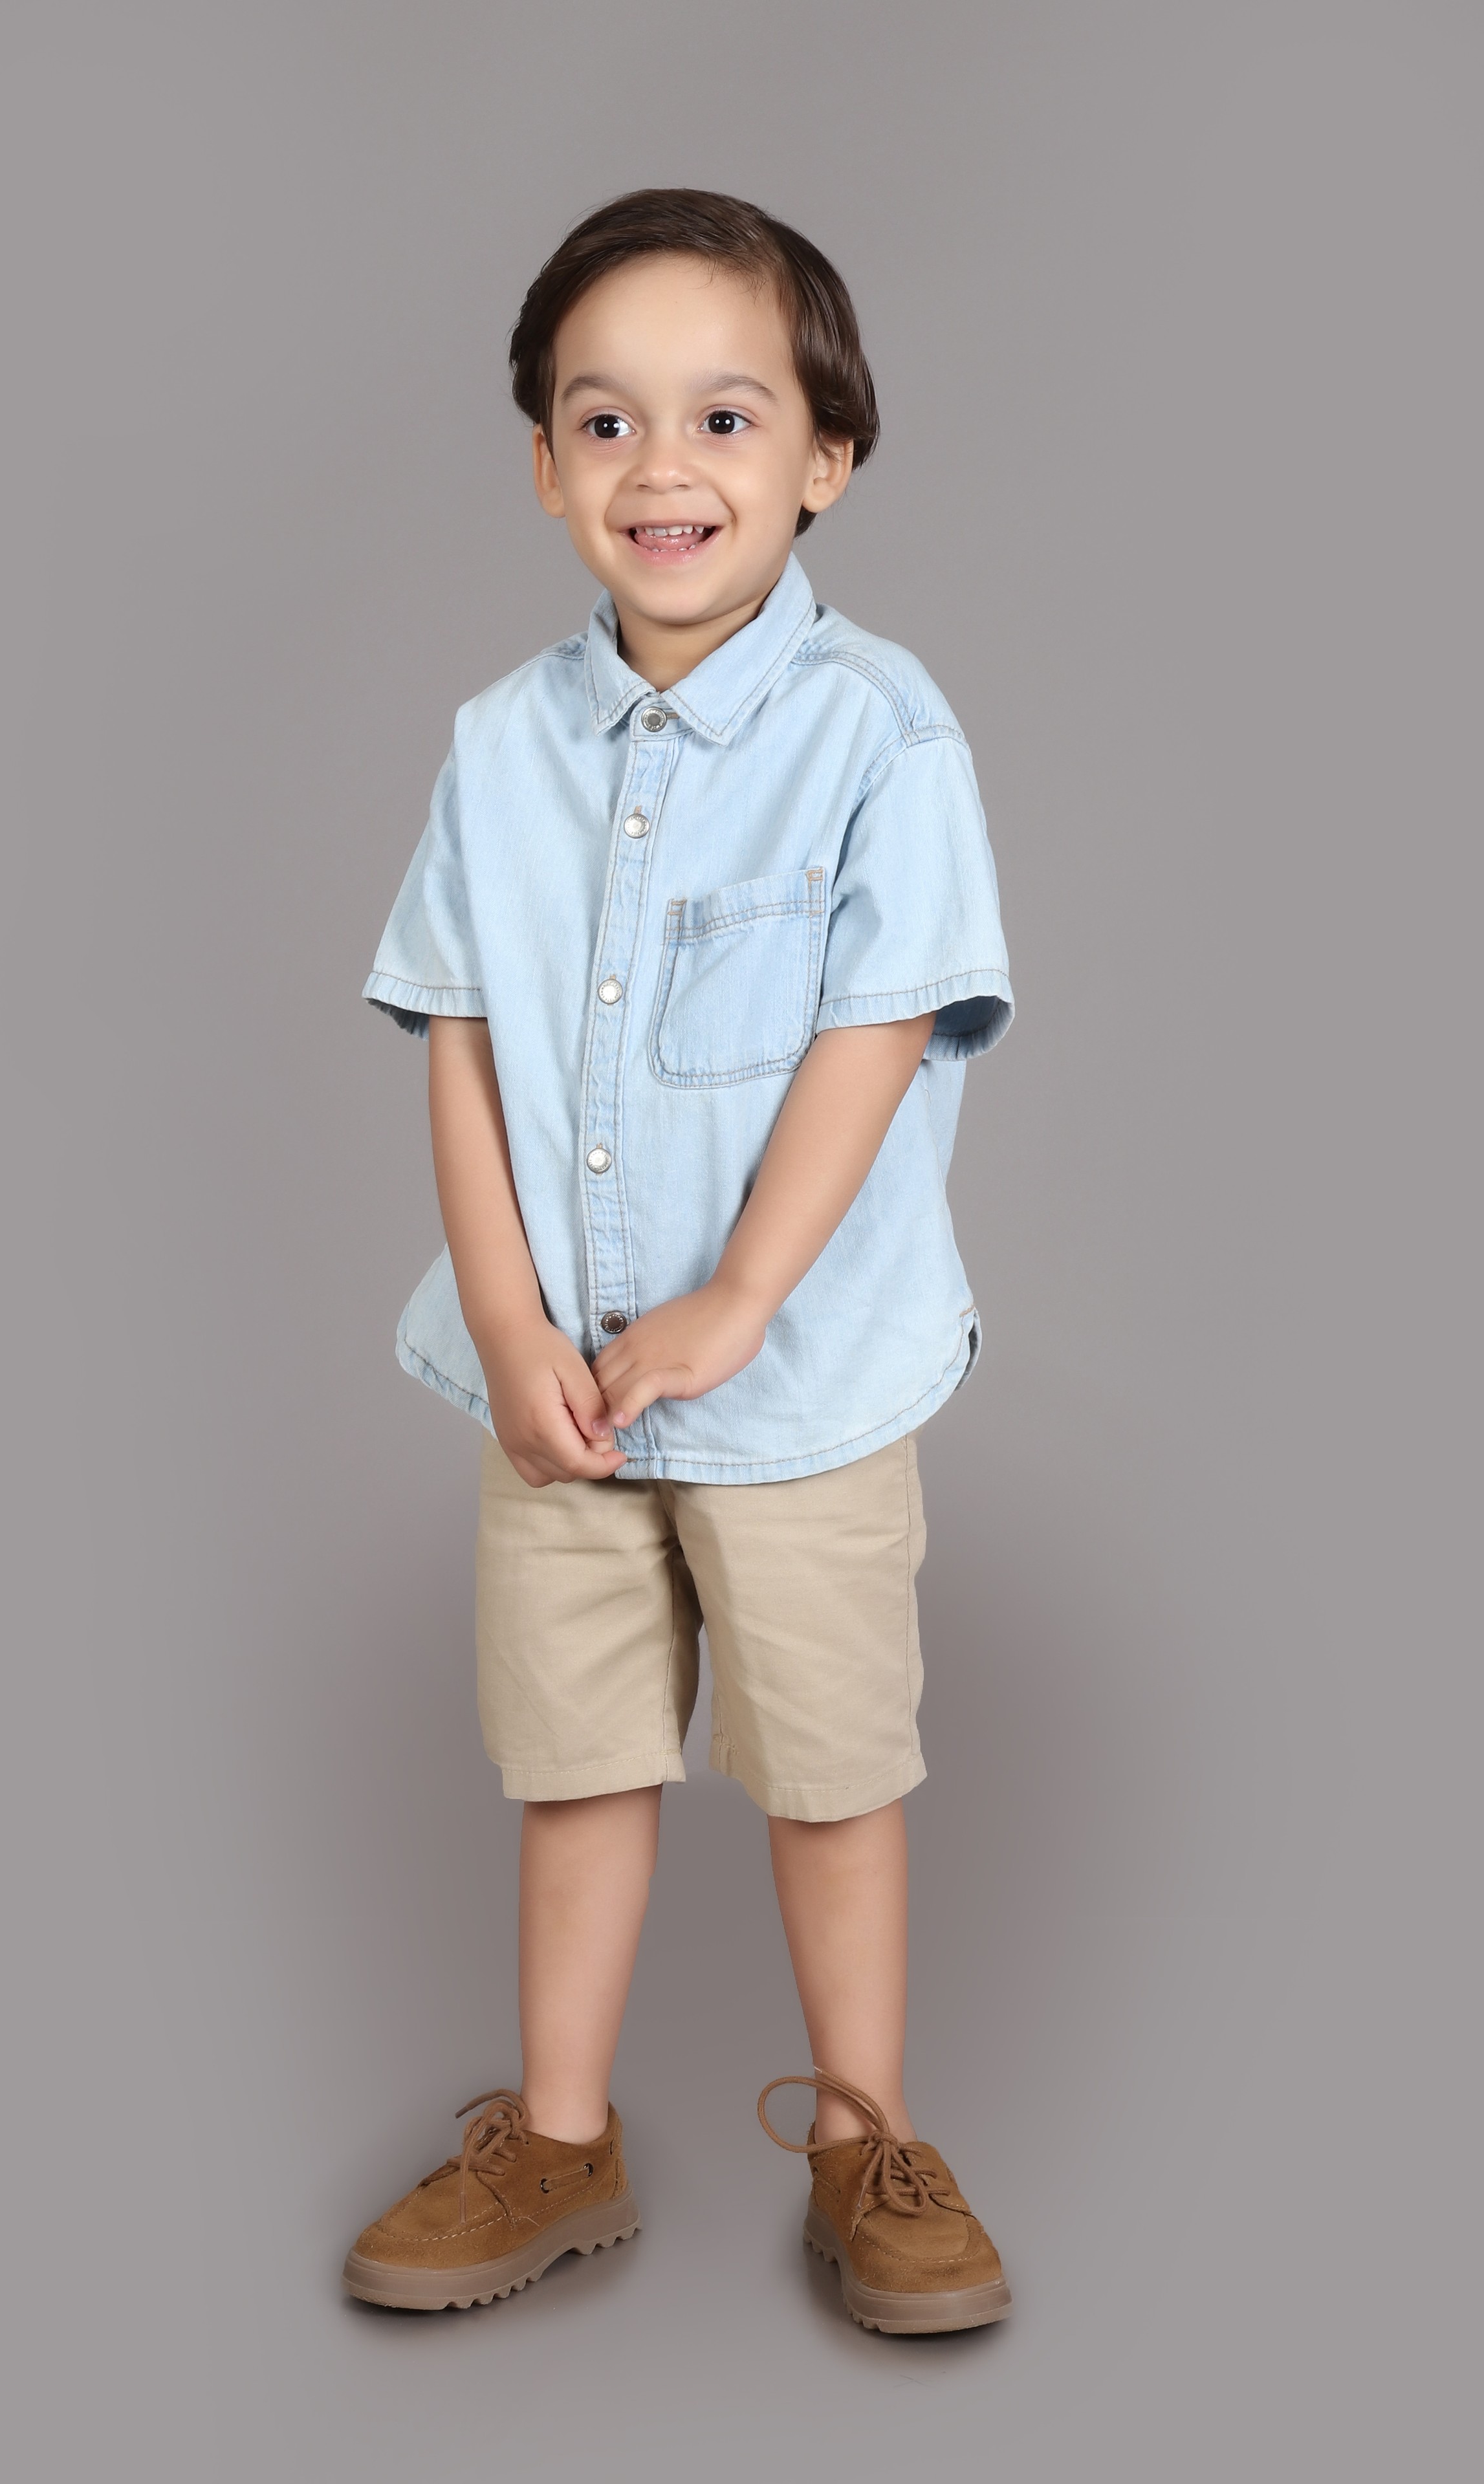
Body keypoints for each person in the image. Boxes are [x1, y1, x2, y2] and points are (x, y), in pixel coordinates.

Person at [343, 190, 1015, 2335]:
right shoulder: (495, 746)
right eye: (603, 418)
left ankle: (864, 2144)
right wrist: (508, 1319)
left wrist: (735, 1304)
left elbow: (876, 1029)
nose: (661, 466)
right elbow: (457, 1037)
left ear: (825, 457)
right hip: (558, 1390)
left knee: (828, 1778)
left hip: (800, 1389)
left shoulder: (880, 735)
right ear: (543, 466)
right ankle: (559, 2138)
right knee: (574, 1764)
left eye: (724, 416)